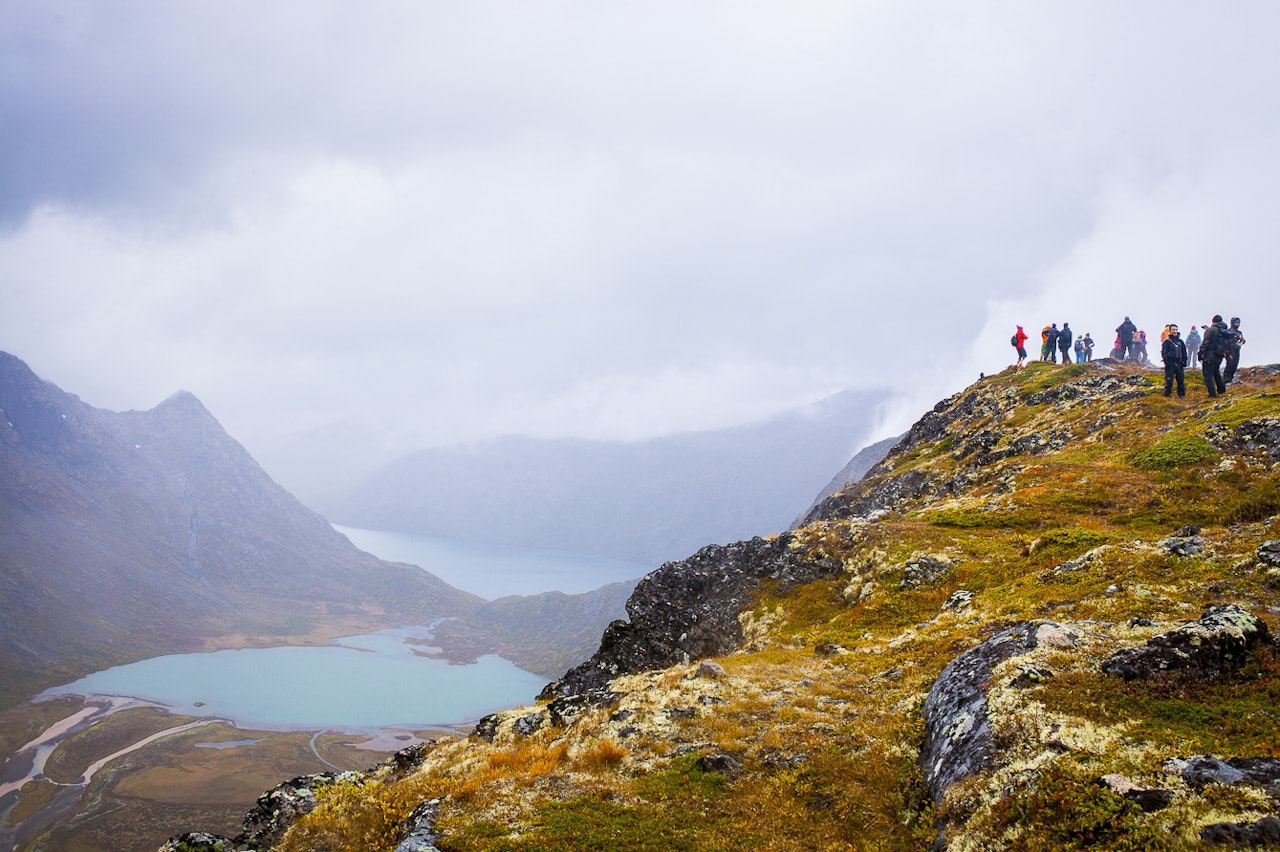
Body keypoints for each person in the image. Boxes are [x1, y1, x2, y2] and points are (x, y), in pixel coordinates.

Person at [1200, 315, 1229, 398]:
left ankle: (1212, 394)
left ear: (1213, 322)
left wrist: (1201, 353)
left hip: (1209, 355)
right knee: (1216, 372)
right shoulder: (1224, 330)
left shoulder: (1211, 330)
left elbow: (1206, 342)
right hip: (1219, 355)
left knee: (1208, 375)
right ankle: (1221, 390)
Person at [1161, 324, 1188, 398]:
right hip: (1170, 364)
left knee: (1181, 381)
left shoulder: (1180, 342)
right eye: (1173, 330)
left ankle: (1181, 395)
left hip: (1179, 364)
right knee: (1169, 380)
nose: (1175, 331)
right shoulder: (1166, 342)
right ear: (1170, 331)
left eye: (1176, 329)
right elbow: (1164, 353)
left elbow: (1184, 353)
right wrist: (1167, 362)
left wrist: (1184, 362)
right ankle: (1167, 395)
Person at [1223, 317, 1246, 383]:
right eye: (1236, 322)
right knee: (1230, 364)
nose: (1237, 324)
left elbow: (1243, 341)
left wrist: (1242, 340)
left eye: (1238, 323)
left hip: (1237, 350)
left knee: (1235, 365)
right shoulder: (1228, 332)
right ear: (1232, 323)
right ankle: (1225, 379)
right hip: (1229, 351)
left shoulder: (1239, 332)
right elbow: (1224, 341)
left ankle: (1230, 379)